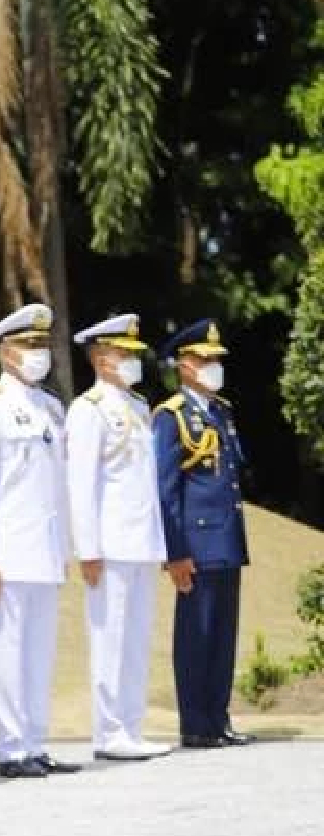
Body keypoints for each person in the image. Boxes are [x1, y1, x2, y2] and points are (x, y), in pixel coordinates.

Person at [0, 302, 79, 780]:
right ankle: (10, 747)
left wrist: (63, 548)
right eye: (29, 345)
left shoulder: (51, 407)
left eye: (42, 345)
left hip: (44, 552)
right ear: (6, 352)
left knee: (39, 653)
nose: (39, 354)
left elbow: (58, 489)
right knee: (7, 651)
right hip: (8, 553)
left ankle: (34, 740)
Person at [68, 315, 171, 762]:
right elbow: (82, 483)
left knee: (135, 639)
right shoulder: (88, 409)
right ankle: (108, 731)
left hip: (141, 543)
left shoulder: (138, 406)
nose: (132, 361)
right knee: (110, 639)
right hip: (109, 546)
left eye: (133, 354)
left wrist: (159, 544)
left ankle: (131, 725)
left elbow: (145, 482)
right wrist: (88, 549)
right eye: (124, 354)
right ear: (100, 358)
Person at [155, 319, 254, 749]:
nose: (214, 366)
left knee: (222, 635)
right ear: (185, 366)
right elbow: (166, 488)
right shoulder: (172, 415)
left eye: (217, 360)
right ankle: (195, 723)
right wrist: (175, 553)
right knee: (197, 635)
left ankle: (218, 717)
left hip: (226, 540)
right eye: (205, 360)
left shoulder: (221, 411)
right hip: (194, 544)